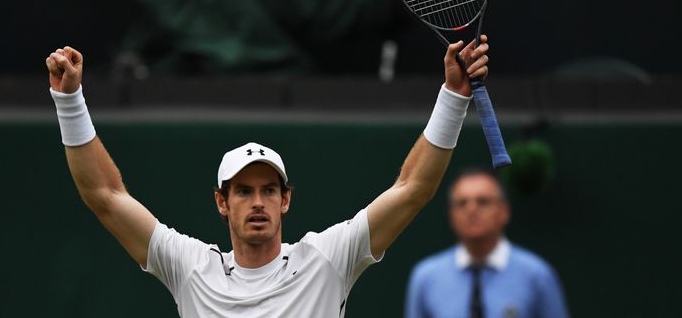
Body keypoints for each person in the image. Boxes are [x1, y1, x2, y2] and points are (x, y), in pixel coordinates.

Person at [44, 36, 489, 318]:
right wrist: (70, 103)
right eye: (243, 191)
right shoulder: (190, 268)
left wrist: (453, 96)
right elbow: (104, 195)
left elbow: (413, 189)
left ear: (285, 200)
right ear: (222, 202)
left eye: (268, 190)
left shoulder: (326, 260)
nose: (257, 201)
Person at [404, 168, 569, 318]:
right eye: (461, 203)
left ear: (504, 211)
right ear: (451, 215)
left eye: (483, 201)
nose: (471, 210)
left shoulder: (537, 275)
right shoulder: (426, 277)